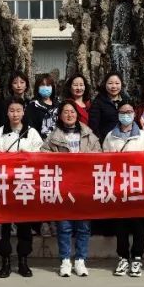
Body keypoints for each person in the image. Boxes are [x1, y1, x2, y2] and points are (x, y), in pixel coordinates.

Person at [42, 100, 101, 277]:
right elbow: (43, 155)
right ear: (60, 116)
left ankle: (80, 260)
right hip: (63, 186)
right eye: (65, 112)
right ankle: (65, 260)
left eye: (72, 111)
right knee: (64, 226)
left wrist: (84, 158)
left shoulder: (89, 135)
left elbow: (99, 155)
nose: (69, 115)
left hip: (84, 185)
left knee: (83, 226)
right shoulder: (53, 136)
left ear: (78, 114)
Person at [0, 98, 44, 278]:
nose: (15, 114)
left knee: (24, 225)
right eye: (12, 110)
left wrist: (28, 156)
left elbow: (40, 156)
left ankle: (23, 261)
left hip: (25, 184)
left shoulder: (32, 133)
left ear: (23, 112)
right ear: (7, 112)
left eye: (18, 110)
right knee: (3, 225)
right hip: (4, 184)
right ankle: (5, 261)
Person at [102, 100, 144, 277]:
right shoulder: (110, 136)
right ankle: (123, 257)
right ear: (118, 114)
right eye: (123, 112)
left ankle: (137, 258)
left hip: (138, 186)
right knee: (121, 225)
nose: (126, 115)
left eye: (129, 112)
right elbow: (104, 160)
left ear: (134, 114)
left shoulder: (143, 136)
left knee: (138, 225)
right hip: (118, 187)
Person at [89, 71, 127, 141]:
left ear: (121, 84)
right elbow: (93, 126)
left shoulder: (126, 100)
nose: (114, 86)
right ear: (105, 84)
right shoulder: (98, 102)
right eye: (110, 83)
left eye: (117, 83)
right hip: (106, 141)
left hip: (125, 140)